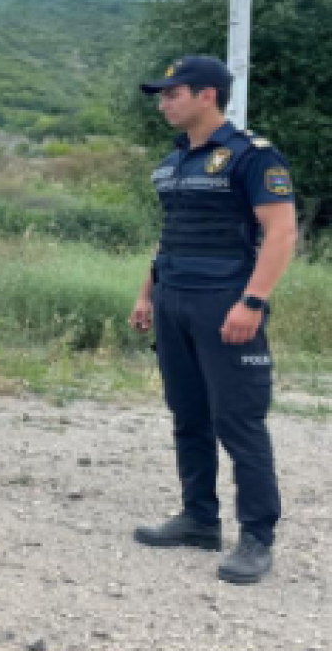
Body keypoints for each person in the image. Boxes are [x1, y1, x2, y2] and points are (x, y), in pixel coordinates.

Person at [129, 55, 297, 585]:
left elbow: (281, 233)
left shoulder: (252, 157)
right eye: (162, 95)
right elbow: (170, 235)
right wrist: (146, 295)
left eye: (172, 93)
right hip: (174, 301)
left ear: (206, 95)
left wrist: (254, 301)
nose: (163, 103)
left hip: (225, 302)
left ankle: (256, 538)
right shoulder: (173, 162)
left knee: (239, 421)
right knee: (189, 415)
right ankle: (199, 518)